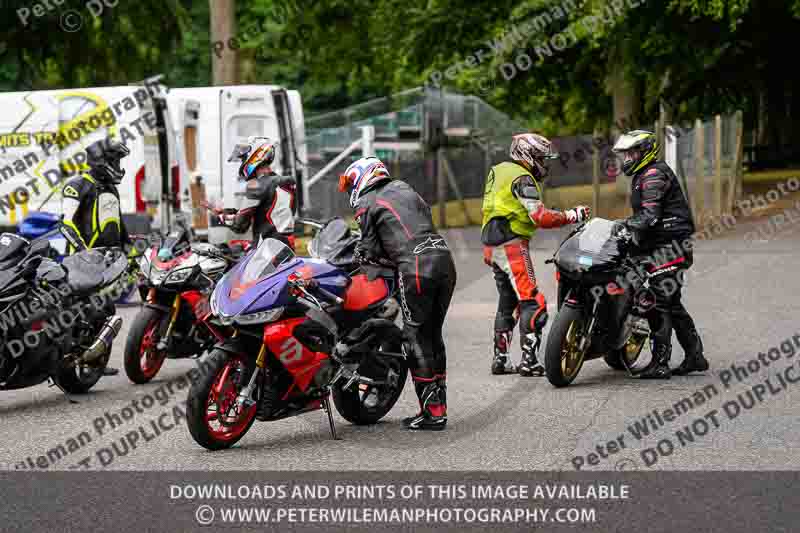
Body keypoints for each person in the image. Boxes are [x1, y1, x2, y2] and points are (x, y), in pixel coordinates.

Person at [339, 156, 457, 431]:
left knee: (414, 337)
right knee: (433, 335)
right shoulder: (405, 189)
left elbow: (367, 251)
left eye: (351, 184)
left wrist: (351, 260)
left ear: (362, 178)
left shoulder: (366, 203)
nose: (350, 191)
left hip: (415, 267)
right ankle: (440, 407)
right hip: (444, 261)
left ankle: (433, 413)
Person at [481, 133, 590, 376]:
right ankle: (529, 362)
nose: (544, 163)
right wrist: (573, 215)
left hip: (491, 243)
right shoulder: (522, 177)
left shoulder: (499, 171)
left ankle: (500, 360)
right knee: (534, 303)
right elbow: (539, 217)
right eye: (540, 157)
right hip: (510, 243)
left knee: (507, 302)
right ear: (527, 156)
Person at [612, 129, 708, 379]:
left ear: (644, 152)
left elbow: (649, 216)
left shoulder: (654, 174)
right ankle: (695, 355)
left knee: (658, 300)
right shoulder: (644, 174)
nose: (627, 159)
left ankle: (660, 363)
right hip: (660, 244)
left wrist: (623, 225)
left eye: (631, 153)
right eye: (626, 154)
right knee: (672, 304)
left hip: (671, 245)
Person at [60, 137, 132, 376]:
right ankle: (64, 360)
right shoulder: (78, 184)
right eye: (115, 160)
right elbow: (66, 224)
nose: (119, 166)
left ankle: (96, 361)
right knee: (78, 313)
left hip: (107, 261)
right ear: (102, 160)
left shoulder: (111, 188)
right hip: (81, 263)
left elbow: (118, 224)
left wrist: (129, 251)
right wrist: (83, 252)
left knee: (106, 310)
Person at [224, 137, 297, 250]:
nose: (242, 163)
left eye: (243, 158)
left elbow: (239, 226)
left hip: (265, 253)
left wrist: (222, 217)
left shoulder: (256, 185)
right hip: (288, 248)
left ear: (255, 156)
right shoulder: (288, 182)